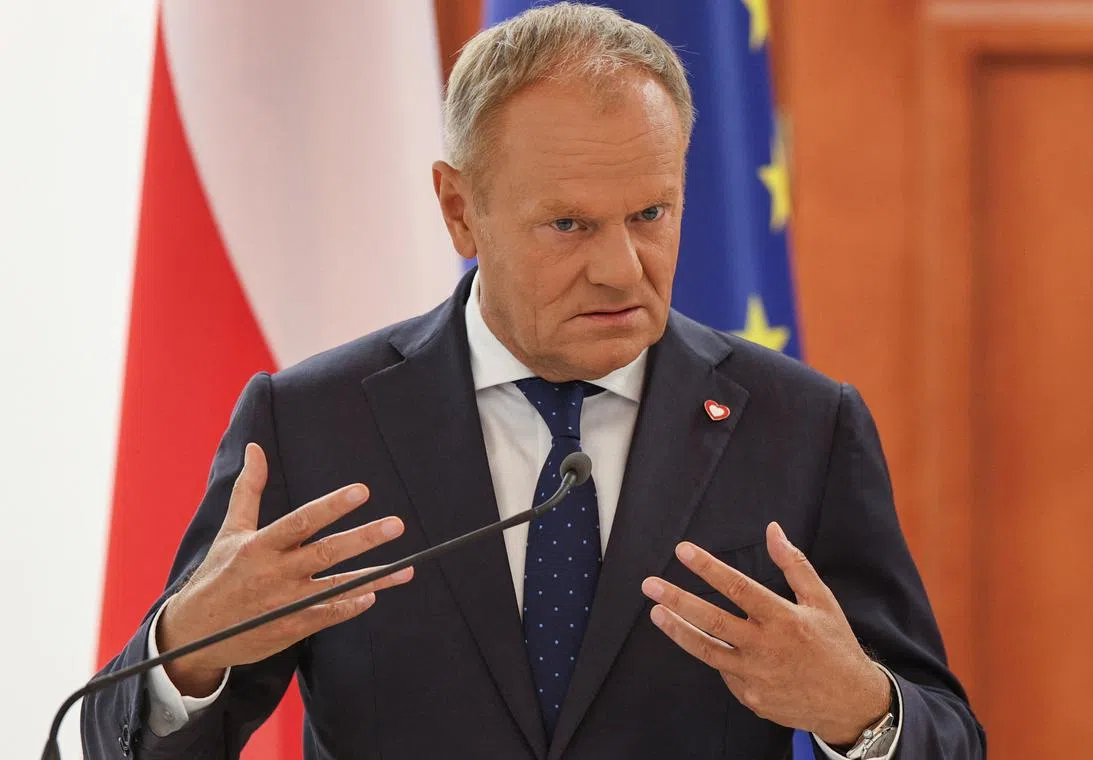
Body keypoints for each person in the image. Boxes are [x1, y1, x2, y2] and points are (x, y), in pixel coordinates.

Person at [82, 4, 985, 758]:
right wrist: (186, 657)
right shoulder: (314, 425)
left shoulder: (802, 426)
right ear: (459, 209)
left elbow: (948, 736)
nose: (622, 270)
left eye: (650, 213)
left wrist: (861, 712)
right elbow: (112, 742)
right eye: (569, 225)